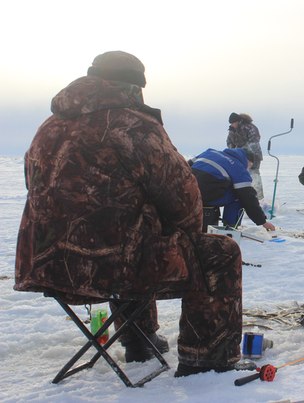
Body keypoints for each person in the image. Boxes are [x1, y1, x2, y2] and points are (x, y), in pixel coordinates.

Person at [14, 51, 243, 377]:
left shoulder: (48, 128)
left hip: (47, 265)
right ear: (134, 86)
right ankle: (207, 362)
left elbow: (33, 186)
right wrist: (186, 236)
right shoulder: (134, 124)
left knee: (131, 239)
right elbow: (184, 200)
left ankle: (139, 340)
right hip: (114, 268)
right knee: (216, 252)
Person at [189, 147, 275, 232]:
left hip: (186, 192)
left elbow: (184, 165)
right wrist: (262, 221)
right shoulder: (239, 167)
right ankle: (230, 228)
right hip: (205, 197)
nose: (248, 169)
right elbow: (248, 198)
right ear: (247, 160)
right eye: (249, 166)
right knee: (239, 196)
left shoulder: (210, 152)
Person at [227, 112, 264, 200]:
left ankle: (258, 198)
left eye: (233, 123)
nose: (232, 125)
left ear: (238, 121)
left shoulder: (250, 127)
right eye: (231, 123)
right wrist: (233, 152)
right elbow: (229, 142)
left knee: (254, 175)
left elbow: (254, 143)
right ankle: (243, 197)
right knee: (241, 176)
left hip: (253, 156)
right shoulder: (232, 130)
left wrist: (245, 154)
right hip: (239, 157)